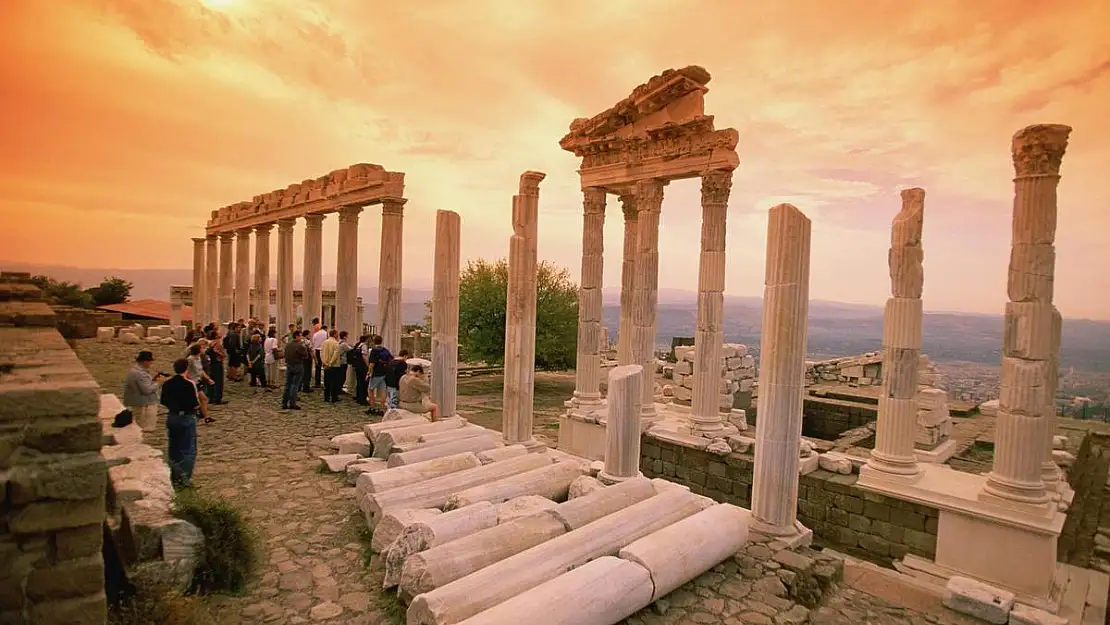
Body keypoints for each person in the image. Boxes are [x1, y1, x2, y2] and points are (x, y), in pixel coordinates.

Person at [160, 358, 201, 489]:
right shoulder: (189, 384)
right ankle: (185, 479)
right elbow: (195, 403)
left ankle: (175, 475)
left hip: (172, 416)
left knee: (174, 447)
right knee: (188, 449)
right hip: (186, 417)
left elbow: (163, 400)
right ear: (186, 369)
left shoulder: (168, 383)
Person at [123, 350, 168, 432]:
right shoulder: (140, 373)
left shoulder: (135, 371)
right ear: (144, 361)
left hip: (140, 403)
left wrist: (153, 380)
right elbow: (147, 390)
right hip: (144, 405)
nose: (151, 363)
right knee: (146, 429)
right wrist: (159, 383)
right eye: (150, 361)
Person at [186, 343, 216, 424]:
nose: (203, 349)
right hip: (192, 382)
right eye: (201, 348)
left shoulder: (198, 358)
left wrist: (208, 379)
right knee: (201, 399)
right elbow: (186, 372)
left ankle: (206, 417)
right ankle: (200, 416)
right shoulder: (190, 359)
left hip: (198, 381)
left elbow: (201, 370)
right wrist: (191, 380)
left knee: (203, 399)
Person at [282, 331, 309, 410]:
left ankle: (284, 402)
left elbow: (285, 355)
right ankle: (292, 403)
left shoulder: (288, 345)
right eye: (300, 336)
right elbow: (305, 355)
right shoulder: (300, 345)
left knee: (288, 385)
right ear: (297, 336)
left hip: (289, 365)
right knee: (295, 385)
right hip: (297, 365)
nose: (301, 338)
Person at [367, 335, 393, 415]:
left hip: (377, 373)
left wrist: (368, 373)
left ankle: (372, 407)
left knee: (370, 390)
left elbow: (372, 363)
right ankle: (382, 408)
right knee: (383, 391)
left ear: (374, 342)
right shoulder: (385, 350)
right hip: (384, 372)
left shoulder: (374, 350)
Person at [205, 330, 227, 404]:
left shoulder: (209, 343)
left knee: (211, 380)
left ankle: (211, 397)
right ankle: (217, 398)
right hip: (217, 364)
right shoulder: (217, 344)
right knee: (218, 381)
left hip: (210, 364)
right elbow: (223, 355)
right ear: (216, 336)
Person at [321, 329, 342, 402]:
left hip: (325, 365)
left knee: (327, 382)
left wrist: (324, 362)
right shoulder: (336, 343)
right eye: (337, 334)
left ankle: (326, 397)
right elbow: (335, 355)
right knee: (335, 382)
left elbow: (322, 353)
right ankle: (334, 397)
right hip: (334, 365)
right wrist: (330, 363)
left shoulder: (324, 342)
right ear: (335, 334)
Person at [351, 334, 371, 405]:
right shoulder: (364, 346)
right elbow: (364, 356)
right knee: (364, 383)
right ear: (367, 339)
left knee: (359, 382)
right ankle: (362, 399)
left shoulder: (358, 345)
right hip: (363, 367)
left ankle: (359, 397)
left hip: (358, 366)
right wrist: (368, 366)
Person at [311, 323, 328, 389]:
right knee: (326, 367)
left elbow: (313, 343)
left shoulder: (315, 334)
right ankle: (326, 383)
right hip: (324, 350)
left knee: (317, 367)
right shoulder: (326, 333)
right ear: (325, 328)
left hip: (317, 351)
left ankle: (317, 383)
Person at [337, 331, 352, 397]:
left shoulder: (339, 342)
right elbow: (350, 349)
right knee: (342, 376)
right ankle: (339, 389)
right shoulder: (343, 344)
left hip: (339, 361)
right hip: (343, 362)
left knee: (340, 375)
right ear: (344, 336)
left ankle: (338, 388)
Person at [300, 329, 315, 393]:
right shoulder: (307, 341)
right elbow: (311, 351)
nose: (310, 335)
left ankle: (299, 386)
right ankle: (306, 387)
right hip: (307, 358)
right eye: (309, 334)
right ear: (306, 334)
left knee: (302, 372)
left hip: (301, 358)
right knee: (307, 373)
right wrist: (315, 359)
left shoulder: (300, 341)